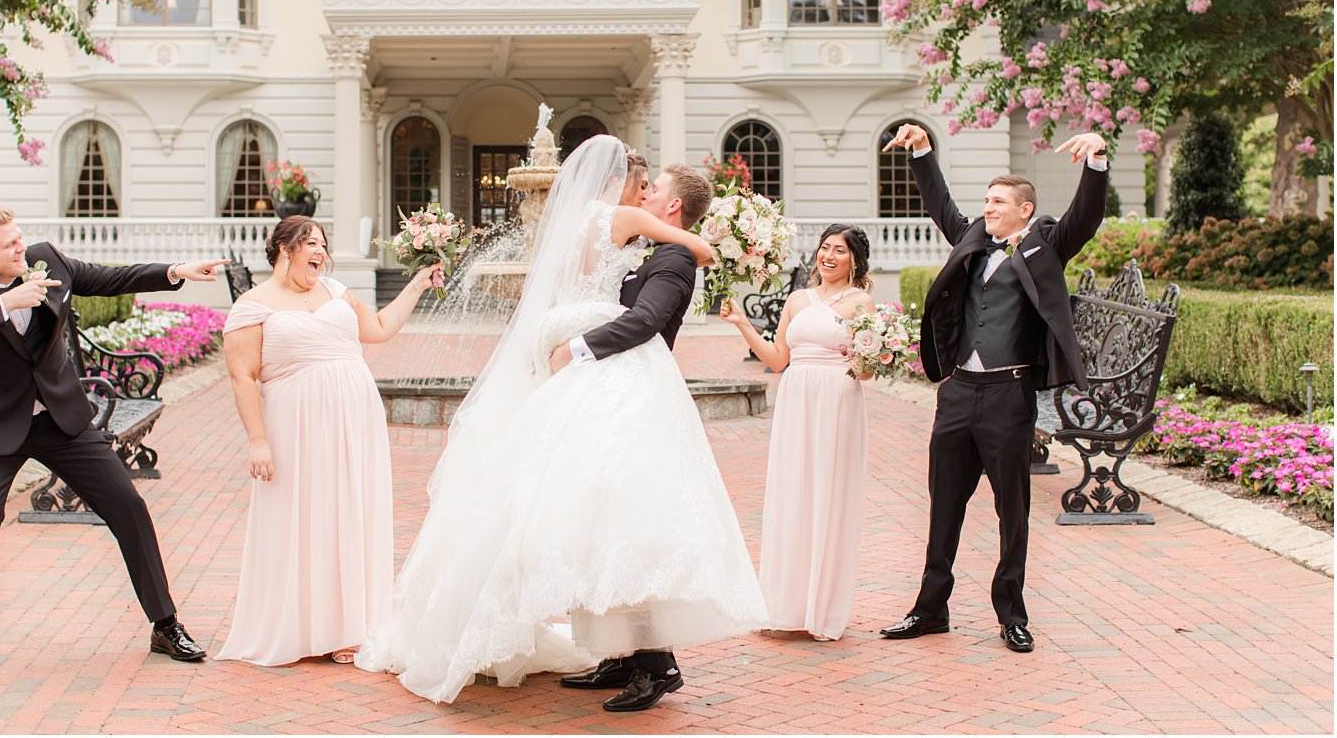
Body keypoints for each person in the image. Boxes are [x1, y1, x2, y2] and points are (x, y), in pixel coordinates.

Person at [356, 138, 767, 709]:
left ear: (670, 205)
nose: (647, 193)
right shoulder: (631, 231)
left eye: (656, 190)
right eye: (642, 184)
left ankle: (655, 662)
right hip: (597, 379)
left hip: (619, 383)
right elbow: (658, 276)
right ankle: (621, 655)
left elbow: (646, 319)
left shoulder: (645, 244)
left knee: (625, 513)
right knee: (592, 510)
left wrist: (571, 346)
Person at [0, 204, 225, 674]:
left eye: (20, 237)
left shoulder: (48, 260)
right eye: (9, 245)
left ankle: (165, 625)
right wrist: (8, 301)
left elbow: (107, 277)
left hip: (62, 422)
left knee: (129, 507)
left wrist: (173, 271)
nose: (21, 247)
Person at [878, 126, 1109, 654]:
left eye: (998, 202)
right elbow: (941, 205)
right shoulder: (972, 241)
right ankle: (930, 609)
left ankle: (1012, 615)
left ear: (1024, 210)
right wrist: (921, 153)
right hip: (959, 394)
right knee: (944, 506)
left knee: (1013, 510)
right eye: (985, 201)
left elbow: (1086, 217)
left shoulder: (1047, 246)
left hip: (1009, 395)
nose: (988, 209)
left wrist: (1095, 160)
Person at [216, 216, 440, 667]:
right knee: (307, 517)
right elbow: (243, 376)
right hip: (295, 426)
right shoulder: (252, 305)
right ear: (285, 247)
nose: (320, 252)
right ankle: (306, 626)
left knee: (350, 513)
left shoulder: (335, 292)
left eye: (323, 244)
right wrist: (257, 440)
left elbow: (377, 328)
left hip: (355, 421)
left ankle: (350, 628)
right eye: (311, 243)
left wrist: (416, 286)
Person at [719, 223, 874, 643]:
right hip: (796, 399)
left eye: (839, 251)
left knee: (829, 494)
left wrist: (876, 351)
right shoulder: (796, 300)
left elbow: (867, 369)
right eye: (825, 248)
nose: (829, 256)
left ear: (854, 260)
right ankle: (785, 605)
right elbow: (776, 358)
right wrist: (741, 323)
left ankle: (821, 608)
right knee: (794, 494)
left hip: (838, 401)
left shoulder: (861, 302)